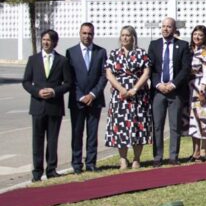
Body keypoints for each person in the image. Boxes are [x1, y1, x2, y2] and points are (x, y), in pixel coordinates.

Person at [23, 29, 72, 181]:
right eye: (44, 39)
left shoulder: (62, 61)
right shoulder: (33, 59)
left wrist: (54, 91)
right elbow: (26, 81)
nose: (46, 42)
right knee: (37, 140)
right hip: (38, 106)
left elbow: (68, 83)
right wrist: (37, 92)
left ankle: (51, 169)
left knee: (52, 140)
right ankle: (37, 172)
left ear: (55, 42)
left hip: (54, 107)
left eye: (49, 40)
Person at [104, 25, 153, 170]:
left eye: (128, 35)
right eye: (123, 35)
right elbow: (109, 73)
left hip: (138, 95)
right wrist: (121, 89)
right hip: (120, 97)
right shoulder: (114, 54)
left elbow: (146, 72)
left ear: (133, 37)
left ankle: (137, 158)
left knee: (138, 126)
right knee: (121, 127)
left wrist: (135, 89)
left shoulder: (141, 53)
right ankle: (123, 159)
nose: (125, 38)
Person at [148, 17, 192, 166]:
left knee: (175, 126)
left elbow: (185, 69)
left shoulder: (183, 45)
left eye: (169, 27)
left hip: (176, 92)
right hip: (158, 92)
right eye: (164, 26)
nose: (166, 29)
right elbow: (151, 69)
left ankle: (174, 156)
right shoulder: (154, 45)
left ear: (174, 29)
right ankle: (157, 157)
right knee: (158, 125)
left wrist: (173, 84)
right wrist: (158, 84)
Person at [65, 22, 107, 174]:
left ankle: (91, 162)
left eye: (89, 33)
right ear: (80, 33)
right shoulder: (71, 52)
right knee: (77, 133)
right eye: (84, 33)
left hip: (95, 100)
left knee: (92, 134)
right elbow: (69, 78)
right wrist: (80, 96)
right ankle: (76, 164)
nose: (87, 36)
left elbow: (104, 76)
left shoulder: (101, 52)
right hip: (77, 101)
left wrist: (92, 94)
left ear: (93, 34)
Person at [186, 25, 206, 161]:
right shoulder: (189, 51)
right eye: (195, 34)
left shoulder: (205, 52)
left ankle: (204, 150)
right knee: (193, 121)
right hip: (191, 88)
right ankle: (195, 151)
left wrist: (202, 90)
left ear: (205, 38)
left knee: (204, 119)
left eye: (200, 35)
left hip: (203, 89)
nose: (197, 37)